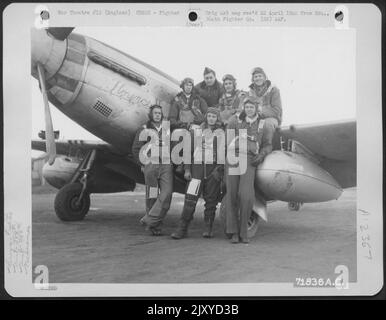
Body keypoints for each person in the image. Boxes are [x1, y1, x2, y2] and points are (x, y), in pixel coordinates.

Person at [171, 107, 225, 240]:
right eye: (209, 116)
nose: (211, 118)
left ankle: (208, 227)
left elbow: (223, 153)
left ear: (217, 119)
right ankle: (182, 228)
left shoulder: (221, 134)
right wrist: (188, 169)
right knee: (190, 198)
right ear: (206, 117)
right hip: (197, 169)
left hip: (212, 170)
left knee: (211, 200)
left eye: (214, 116)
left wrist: (219, 170)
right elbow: (188, 151)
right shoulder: (196, 131)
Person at [225, 96, 273, 244]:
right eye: (247, 107)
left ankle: (243, 231)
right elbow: (226, 142)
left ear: (257, 108)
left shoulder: (265, 125)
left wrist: (262, 155)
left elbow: (268, 144)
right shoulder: (235, 121)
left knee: (246, 196)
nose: (249, 109)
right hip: (232, 159)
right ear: (244, 108)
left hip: (249, 160)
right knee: (232, 195)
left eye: (252, 107)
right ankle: (233, 232)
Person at [131, 105, 173, 236]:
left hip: (166, 164)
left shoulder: (167, 129)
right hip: (151, 165)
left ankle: (148, 219)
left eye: (159, 113)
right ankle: (154, 226)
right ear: (151, 115)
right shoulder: (144, 129)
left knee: (167, 193)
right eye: (155, 113)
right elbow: (136, 148)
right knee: (152, 195)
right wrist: (142, 163)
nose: (157, 115)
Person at [248, 67, 282, 138]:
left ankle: (266, 148)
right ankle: (243, 148)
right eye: (255, 77)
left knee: (265, 125)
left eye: (260, 76)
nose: (258, 78)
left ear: (264, 77)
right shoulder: (250, 93)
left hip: (271, 118)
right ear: (253, 79)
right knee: (241, 126)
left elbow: (277, 111)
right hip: (254, 119)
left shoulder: (273, 90)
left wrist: (260, 110)